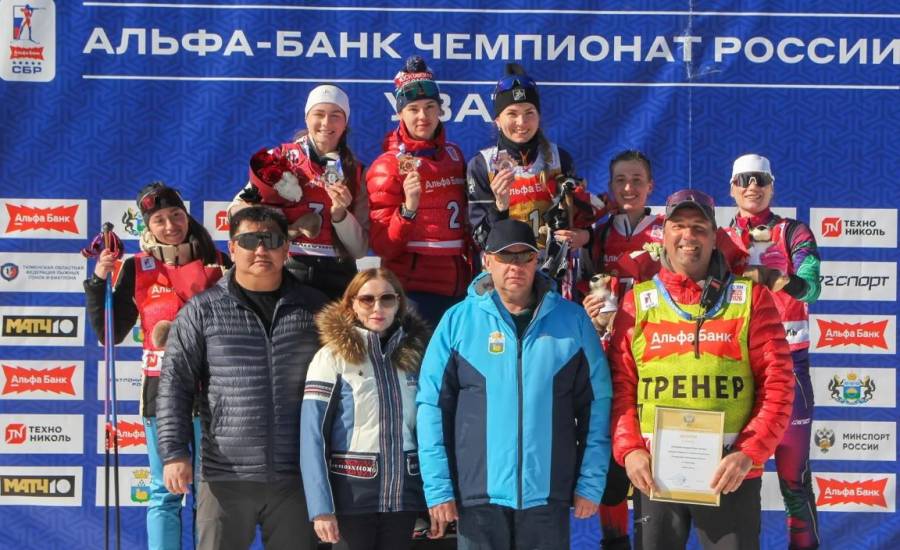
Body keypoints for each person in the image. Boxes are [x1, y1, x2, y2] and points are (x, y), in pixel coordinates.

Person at [608, 189, 795, 550]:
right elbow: (620, 387)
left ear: (714, 237)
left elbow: (779, 385)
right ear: (663, 234)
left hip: (730, 472)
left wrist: (748, 453)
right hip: (656, 474)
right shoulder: (638, 302)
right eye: (678, 226)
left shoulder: (750, 298)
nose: (688, 236)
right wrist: (630, 450)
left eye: (699, 227)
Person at [417, 218, 611, 549]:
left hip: (546, 498)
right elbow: (431, 407)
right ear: (487, 261)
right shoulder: (457, 321)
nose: (515, 266)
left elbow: (597, 405)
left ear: (537, 261)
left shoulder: (572, 320)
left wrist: (590, 483)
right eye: (505, 256)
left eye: (525, 257)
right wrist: (438, 488)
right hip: (478, 497)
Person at [156, 206, 327, 550]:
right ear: (232, 248)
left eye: (271, 240)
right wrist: (174, 453)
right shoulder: (201, 311)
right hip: (225, 476)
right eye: (249, 241)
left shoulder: (317, 310)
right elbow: (175, 385)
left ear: (285, 248)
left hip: (297, 476)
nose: (260, 249)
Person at [84, 181, 229, 550]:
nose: (170, 225)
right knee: (165, 491)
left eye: (176, 215)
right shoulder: (137, 268)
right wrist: (99, 279)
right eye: (159, 219)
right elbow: (109, 333)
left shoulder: (218, 261)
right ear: (147, 225)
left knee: (211, 493)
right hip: (161, 394)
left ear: (187, 215)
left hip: (214, 393)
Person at [721, 154, 822, 549]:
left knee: (794, 481)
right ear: (732, 188)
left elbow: (810, 288)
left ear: (772, 186)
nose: (752, 186)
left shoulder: (793, 232)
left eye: (760, 179)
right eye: (744, 179)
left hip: (789, 362)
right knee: (738, 480)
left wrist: (772, 278)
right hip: (739, 365)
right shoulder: (722, 237)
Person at [299, 268, 429, 549]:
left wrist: (432, 497)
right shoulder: (331, 357)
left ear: (399, 304)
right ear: (352, 305)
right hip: (351, 499)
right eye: (367, 299)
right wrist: (321, 507)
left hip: (403, 499)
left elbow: (427, 431)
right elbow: (312, 435)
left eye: (387, 299)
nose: (377, 308)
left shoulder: (415, 357)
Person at [581, 150, 664, 550]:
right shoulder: (597, 234)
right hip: (608, 355)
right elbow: (581, 288)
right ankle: (615, 541)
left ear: (651, 186)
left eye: (636, 180)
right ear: (611, 187)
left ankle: (655, 537)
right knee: (611, 456)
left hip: (657, 354)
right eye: (620, 181)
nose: (628, 188)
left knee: (652, 451)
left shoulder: (668, 230)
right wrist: (588, 311)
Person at [467, 63, 603, 299]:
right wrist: (500, 207)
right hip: (506, 279)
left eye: (529, 112)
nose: (522, 122)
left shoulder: (559, 158)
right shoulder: (482, 165)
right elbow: (481, 239)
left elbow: (579, 220)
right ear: (497, 120)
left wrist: (584, 236)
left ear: (539, 116)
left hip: (553, 277)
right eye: (512, 114)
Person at [231, 83, 369, 299]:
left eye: (335, 116)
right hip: (287, 267)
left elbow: (359, 250)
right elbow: (235, 211)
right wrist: (283, 223)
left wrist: (340, 215)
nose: (326, 123)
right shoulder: (279, 158)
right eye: (319, 114)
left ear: (345, 123)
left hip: (337, 272)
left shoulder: (356, 170)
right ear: (306, 118)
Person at [366, 55, 471, 328]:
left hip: (459, 288)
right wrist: (408, 210)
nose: (423, 116)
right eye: (413, 109)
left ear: (440, 109)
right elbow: (382, 246)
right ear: (400, 113)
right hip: (413, 292)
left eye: (429, 107)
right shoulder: (387, 166)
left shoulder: (454, 155)